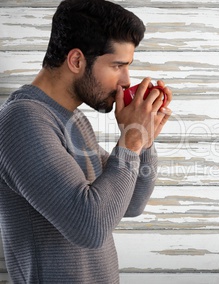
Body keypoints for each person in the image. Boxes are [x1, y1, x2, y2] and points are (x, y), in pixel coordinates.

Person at [0, 0, 172, 282]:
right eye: (118, 65)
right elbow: (90, 228)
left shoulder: (73, 119)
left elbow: (130, 204)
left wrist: (144, 139)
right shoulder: (22, 120)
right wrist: (130, 140)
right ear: (77, 60)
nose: (126, 81)